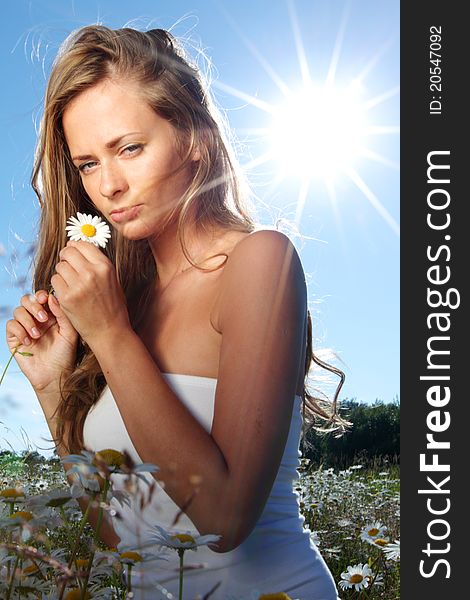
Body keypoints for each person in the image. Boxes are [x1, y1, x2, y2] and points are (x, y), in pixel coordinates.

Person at [5, 25, 344, 599]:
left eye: (129, 148)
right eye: (87, 164)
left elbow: (222, 520)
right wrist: (55, 389)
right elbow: (120, 537)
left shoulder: (257, 263)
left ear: (194, 138)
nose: (108, 186)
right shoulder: (125, 305)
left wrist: (111, 336)